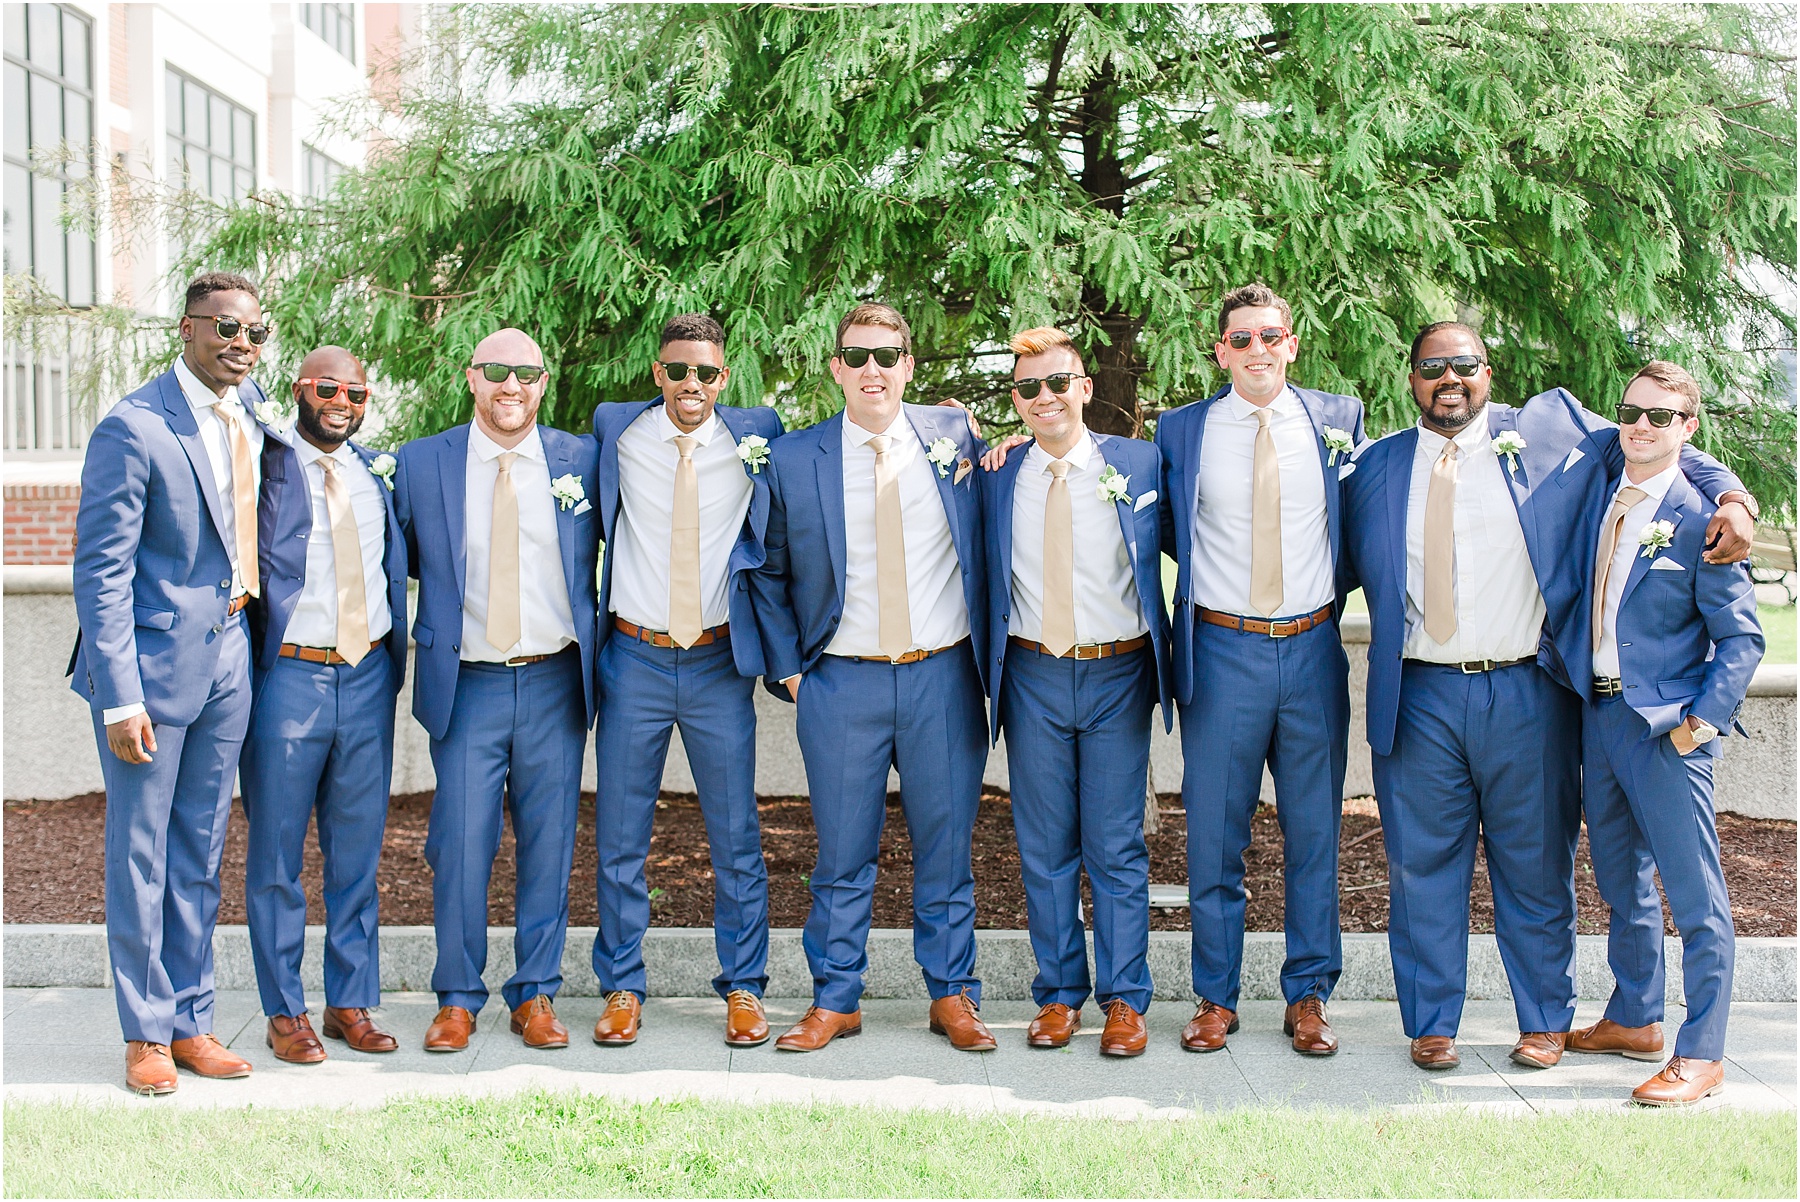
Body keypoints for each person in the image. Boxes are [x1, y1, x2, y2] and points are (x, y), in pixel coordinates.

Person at [1338, 322, 1754, 1071]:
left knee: (1535, 865)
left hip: (1528, 690)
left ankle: (1543, 1021)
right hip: (1421, 694)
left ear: (1488, 371)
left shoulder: (1550, 432)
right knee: (1420, 867)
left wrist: (1733, 494)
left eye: (1464, 363)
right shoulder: (1376, 466)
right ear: (1412, 380)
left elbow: (1656, 436)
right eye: (1434, 367)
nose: (1450, 378)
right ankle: (1432, 1023)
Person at [750, 302, 993, 1052]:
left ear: (909, 366)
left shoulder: (955, 440)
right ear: (836, 368)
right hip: (841, 683)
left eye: (887, 356)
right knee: (842, 854)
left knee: (947, 848)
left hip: (943, 677)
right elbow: (766, 571)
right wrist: (793, 674)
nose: (872, 371)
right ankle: (835, 998)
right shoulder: (796, 458)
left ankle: (952, 994)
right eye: (857, 357)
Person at [70, 270, 276, 1094]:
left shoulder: (250, 417)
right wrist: (119, 695)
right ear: (186, 330)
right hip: (149, 673)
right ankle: (144, 1033)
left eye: (254, 333)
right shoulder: (135, 426)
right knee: (141, 852)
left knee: (200, 850)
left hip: (232, 653)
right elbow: (102, 571)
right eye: (224, 328)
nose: (240, 345)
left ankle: (192, 1020)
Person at [1153, 284, 1366, 1056]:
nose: (1256, 351)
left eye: (1269, 336)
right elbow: (1159, 521)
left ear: (1292, 342)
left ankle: (1309, 997)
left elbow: (1364, 516)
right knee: (1214, 836)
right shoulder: (1181, 431)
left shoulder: (1338, 421)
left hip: (1312, 649)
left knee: (1314, 835)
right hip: (1222, 650)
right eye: (1239, 340)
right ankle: (1216, 997)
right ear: (1220, 351)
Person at [392, 328, 600, 1053]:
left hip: (554, 680)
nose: (511, 386)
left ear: (544, 382)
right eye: (496, 372)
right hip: (468, 685)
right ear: (471, 378)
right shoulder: (423, 463)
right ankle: (456, 997)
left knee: (549, 845)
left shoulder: (583, 459)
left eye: (526, 373)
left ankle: (536, 994)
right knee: (459, 844)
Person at [1565, 361, 1762, 1106]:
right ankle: (1636, 1015)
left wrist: (1701, 723)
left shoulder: (1701, 520)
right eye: (1631, 411)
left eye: (1660, 416)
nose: (1640, 425)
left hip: (1666, 730)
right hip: (1600, 716)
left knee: (1695, 894)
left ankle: (1703, 1052)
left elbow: (1743, 640)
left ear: (1689, 428)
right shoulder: (1602, 482)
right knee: (1621, 879)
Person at [587, 314, 783, 1048]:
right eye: (677, 371)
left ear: (723, 378)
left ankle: (743, 987)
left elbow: (847, 446)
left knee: (735, 835)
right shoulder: (617, 429)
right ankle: (621, 987)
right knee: (620, 838)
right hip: (633, 659)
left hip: (717, 662)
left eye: (704, 373)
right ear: (657, 374)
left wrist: (953, 426)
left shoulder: (759, 433)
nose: (690, 385)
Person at [978, 327, 1171, 1056]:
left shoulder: (1144, 463)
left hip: (1119, 672)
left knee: (1116, 845)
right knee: (1044, 845)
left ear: (1085, 388)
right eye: (1028, 388)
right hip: (1031, 675)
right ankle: (1059, 994)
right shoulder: (997, 473)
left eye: (1058, 382)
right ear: (1017, 401)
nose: (1045, 398)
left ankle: (1125, 998)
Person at [241, 346, 409, 1063]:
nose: (343, 401)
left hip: (368, 675)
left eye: (358, 393)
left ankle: (349, 1003)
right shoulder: (265, 468)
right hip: (290, 680)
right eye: (329, 388)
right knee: (277, 857)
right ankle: (285, 1011)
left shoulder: (376, 474)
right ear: (300, 391)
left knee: (356, 856)